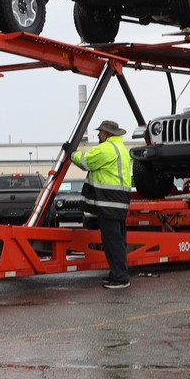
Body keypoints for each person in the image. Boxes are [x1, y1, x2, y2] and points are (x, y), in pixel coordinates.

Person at [81, 118, 134, 289]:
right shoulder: (121, 149)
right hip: (117, 203)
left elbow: (86, 161)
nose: (98, 134)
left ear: (108, 133)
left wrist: (71, 153)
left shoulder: (107, 149)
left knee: (113, 241)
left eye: (100, 131)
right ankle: (116, 274)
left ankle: (121, 277)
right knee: (116, 240)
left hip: (109, 203)